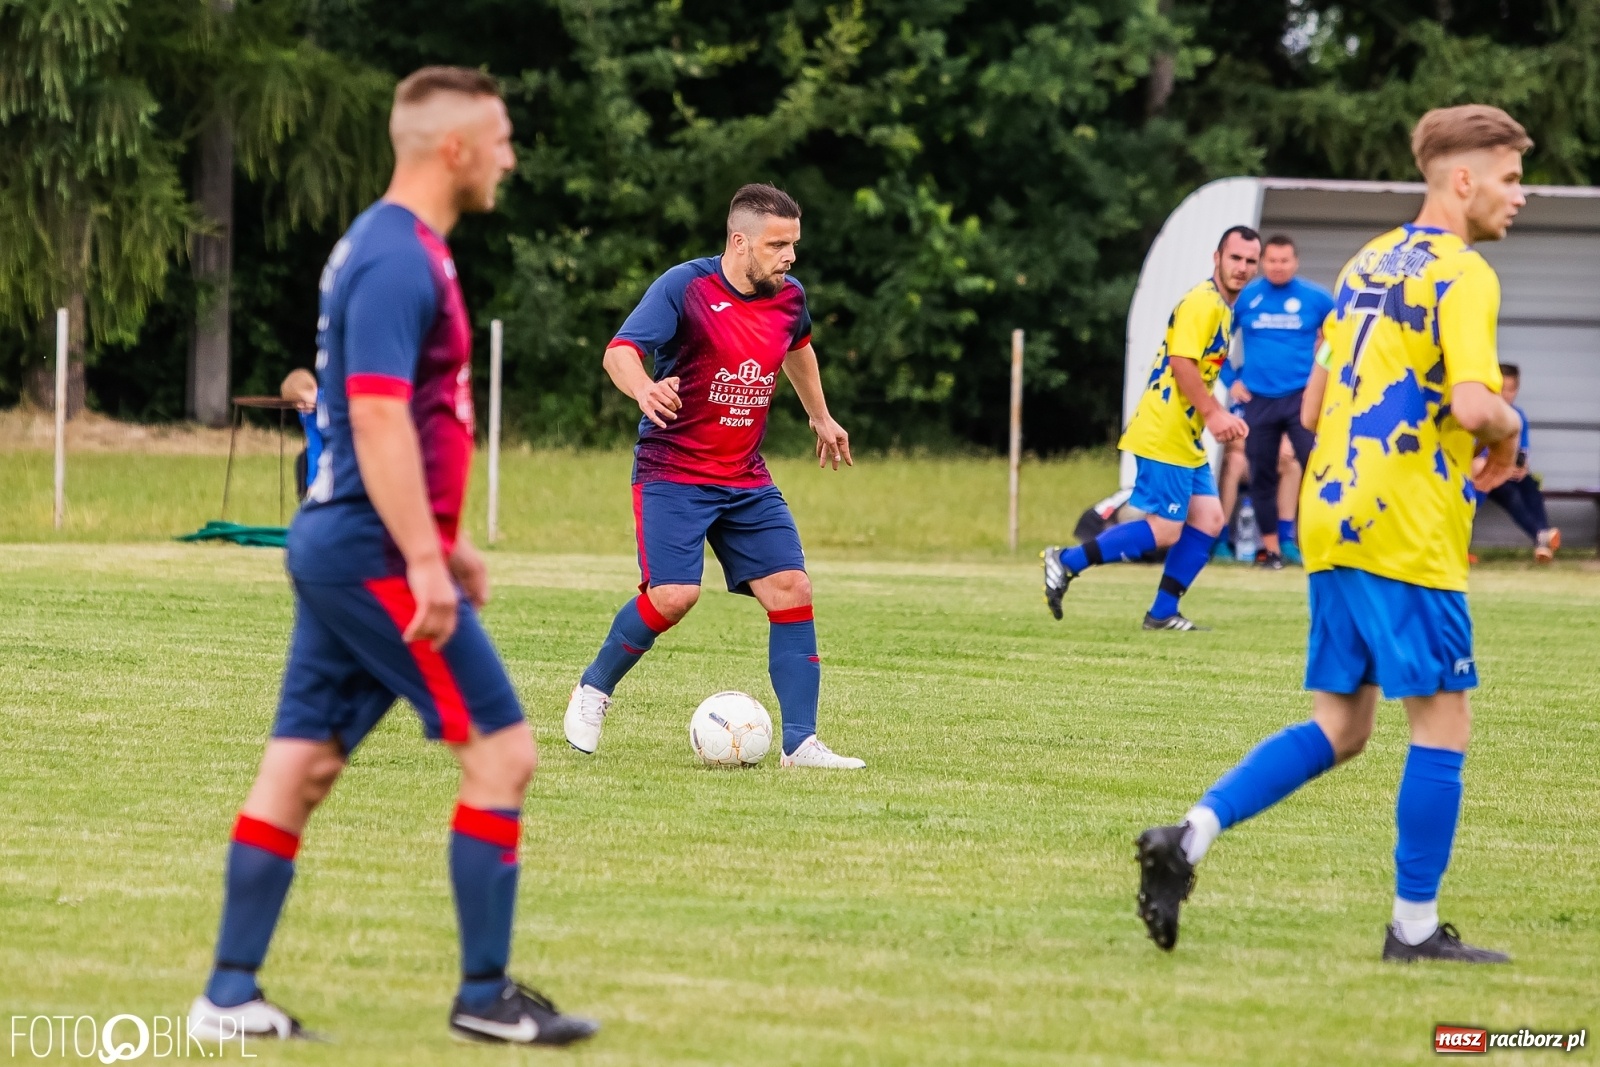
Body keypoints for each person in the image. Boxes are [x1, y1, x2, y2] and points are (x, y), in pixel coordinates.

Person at [188, 67, 599, 1045]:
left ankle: (228, 995)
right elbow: (373, 414)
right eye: (499, 139)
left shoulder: (401, 249)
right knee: (503, 750)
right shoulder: (395, 258)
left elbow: (403, 417)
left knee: (302, 766)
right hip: (367, 547)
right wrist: (421, 557)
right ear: (451, 148)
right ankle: (485, 996)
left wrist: (443, 544)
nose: (509, 156)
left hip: (355, 542)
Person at [1134, 104, 1532, 964]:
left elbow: (1313, 406)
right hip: (1406, 522)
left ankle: (1188, 836)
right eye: (1509, 178)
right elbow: (1473, 402)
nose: (1519, 196)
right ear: (1462, 180)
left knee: (1344, 726)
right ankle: (1415, 931)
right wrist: (1508, 427)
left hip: (1333, 508)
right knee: (1443, 722)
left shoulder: (1366, 262)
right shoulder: (1464, 275)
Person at [562, 183, 865, 770]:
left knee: (792, 590)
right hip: (673, 471)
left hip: (744, 476)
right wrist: (645, 387)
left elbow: (797, 347)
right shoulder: (686, 287)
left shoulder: (789, 296)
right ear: (739, 241)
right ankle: (594, 687)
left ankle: (800, 743)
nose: (790, 256)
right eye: (778, 244)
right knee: (675, 595)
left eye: (794, 244)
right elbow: (620, 351)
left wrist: (821, 416)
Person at [1042, 226, 1260, 630]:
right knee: (1164, 530)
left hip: (1184, 435)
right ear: (1217, 258)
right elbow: (1182, 364)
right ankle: (1066, 560)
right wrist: (1214, 414)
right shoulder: (1203, 303)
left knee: (1211, 520)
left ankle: (1162, 614)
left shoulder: (1224, 308)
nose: (1243, 268)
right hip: (1164, 432)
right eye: (1236, 258)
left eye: (1250, 261)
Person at [1232, 235, 1335, 568]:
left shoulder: (1316, 298)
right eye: (1272, 261)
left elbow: (1343, 337)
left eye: (1284, 261)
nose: (1278, 267)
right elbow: (1215, 342)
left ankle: (1321, 544)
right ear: (1263, 262)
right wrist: (1230, 381)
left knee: (1318, 467)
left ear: (1296, 262)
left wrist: (1325, 378)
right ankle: (1270, 550)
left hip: (1300, 398)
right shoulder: (1246, 298)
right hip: (1258, 398)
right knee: (1262, 473)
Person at [1472, 364, 1560, 562]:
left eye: (1511, 389)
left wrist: (1521, 468)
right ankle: (1542, 536)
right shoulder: (1481, 415)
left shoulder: (1518, 417)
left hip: (1508, 473)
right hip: (1485, 474)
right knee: (1511, 495)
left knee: (1530, 488)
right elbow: (1472, 452)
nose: (1506, 394)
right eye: (1502, 388)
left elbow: (1523, 451)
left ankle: (1541, 541)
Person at [279, 368, 321, 501]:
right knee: (303, 460)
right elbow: (315, 446)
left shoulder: (332, 402)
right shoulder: (306, 415)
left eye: (302, 401)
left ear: (314, 388)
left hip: (343, 449)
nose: (301, 407)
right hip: (322, 448)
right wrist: (311, 483)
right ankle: (306, 501)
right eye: (296, 405)